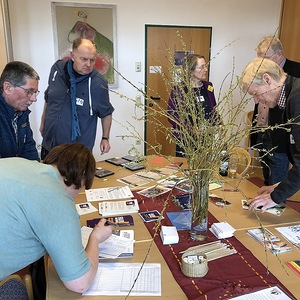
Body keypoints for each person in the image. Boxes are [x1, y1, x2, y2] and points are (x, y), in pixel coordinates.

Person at [0, 143, 113, 294]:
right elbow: (80, 283)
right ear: (81, 180)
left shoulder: (18, 163)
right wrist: (96, 238)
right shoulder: (56, 199)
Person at [240, 58, 300, 211]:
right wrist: (278, 187)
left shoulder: (297, 98)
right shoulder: (289, 97)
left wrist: (275, 196)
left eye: (255, 93)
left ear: (267, 79)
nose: (256, 99)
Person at [40, 38, 114, 160]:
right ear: (72, 56)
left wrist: (105, 138)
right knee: (48, 178)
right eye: (84, 59)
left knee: (74, 179)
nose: (88, 64)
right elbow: (49, 98)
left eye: (92, 60)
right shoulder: (57, 70)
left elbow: (106, 113)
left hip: (77, 152)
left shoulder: (98, 83)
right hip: (50, 145)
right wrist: (43, 122)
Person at [250, 36, 300, 185]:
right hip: (262, 130)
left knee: (277, 175)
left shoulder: (295, 73)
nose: (261, 64)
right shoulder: (261, 72)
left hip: (281, 136)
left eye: (265, 59)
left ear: (279, 54)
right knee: (267, 175)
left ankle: (276, 200)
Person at [167, 54, 218, 157]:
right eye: (201, 67)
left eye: (205, 66)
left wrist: (219, 124)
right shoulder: (179, 90)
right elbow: (172, 115)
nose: (206, 69)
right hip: (187, 139)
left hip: (206, 139)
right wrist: (192, 129)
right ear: (190, 70)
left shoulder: (209, 87)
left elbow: (213, 109)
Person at [0, 61, 40, 160]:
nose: (34, 99)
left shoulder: (21, 112)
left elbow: (29, 150)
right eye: (29, 92)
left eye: (35, 92)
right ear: (8, 88)